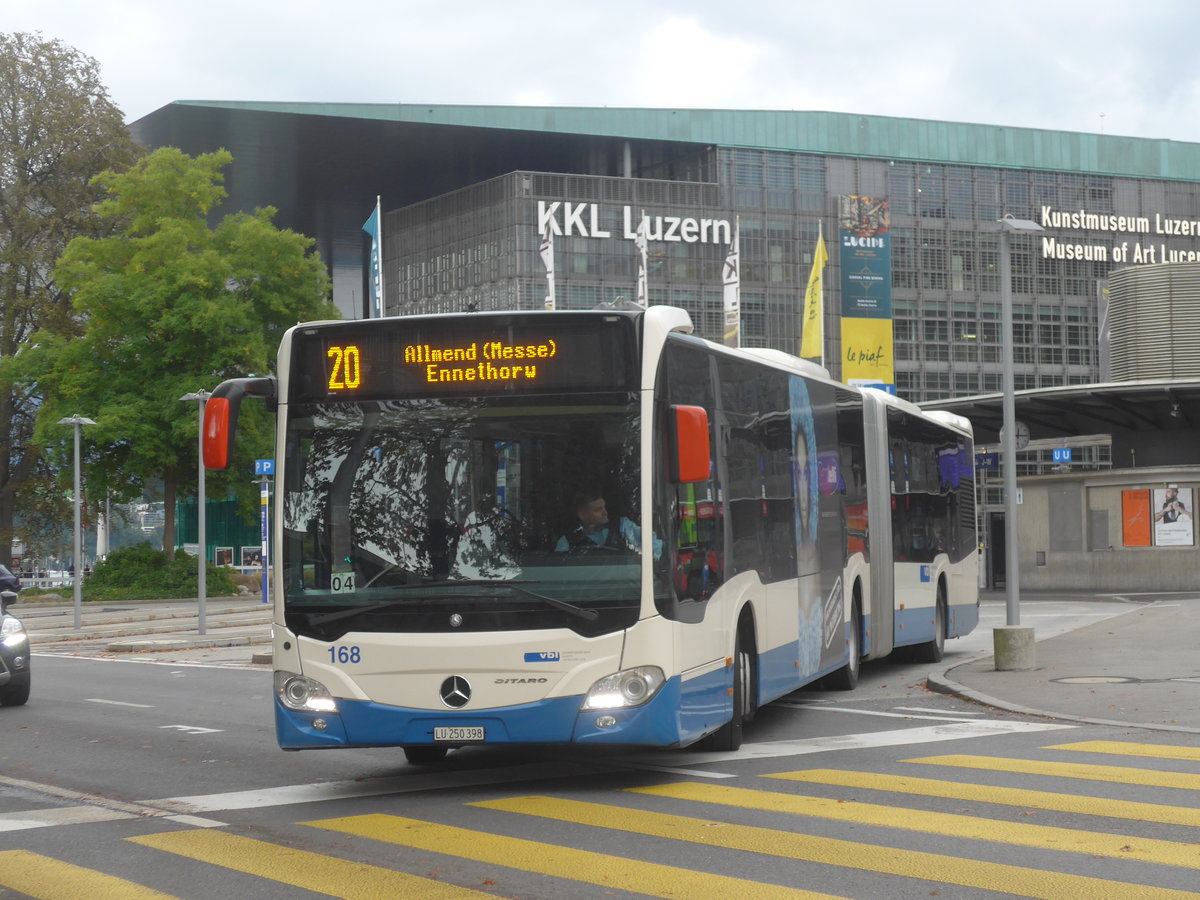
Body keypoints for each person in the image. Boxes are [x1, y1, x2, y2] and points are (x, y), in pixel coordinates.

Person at [555, 490, 662, 558]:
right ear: (582, 515)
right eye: (598, 510)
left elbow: (652, 543)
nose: (605, 513)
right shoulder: (567, 542)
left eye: (604, 507)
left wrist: (653, 563)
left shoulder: (622, 526)